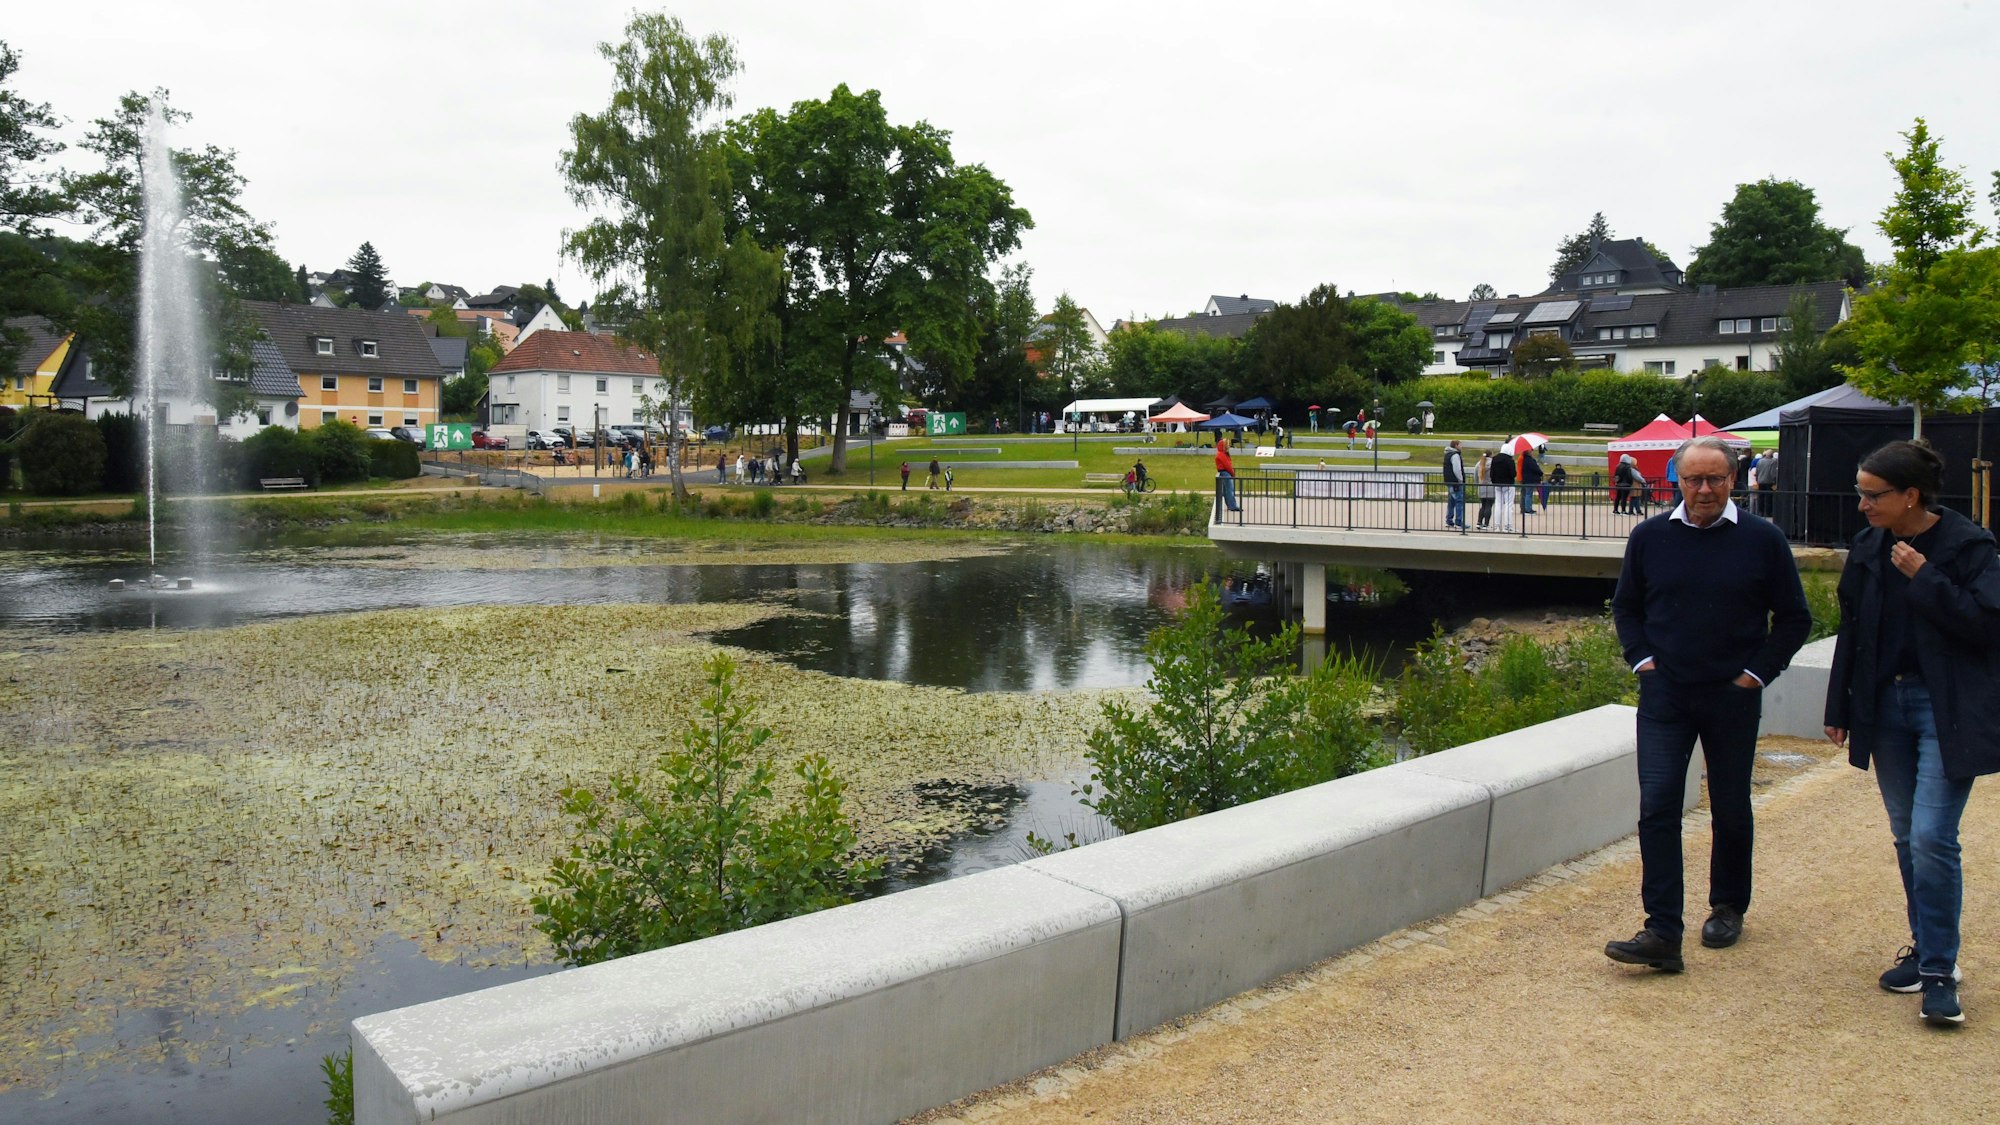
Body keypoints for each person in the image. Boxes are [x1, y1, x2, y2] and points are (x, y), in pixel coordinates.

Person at [1604, 435, 1811, 974]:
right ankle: (1662, 931)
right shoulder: (1650, 537)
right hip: (1665, 694)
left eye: (1714, 479)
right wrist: (1640, 659)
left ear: (1733, 480)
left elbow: (1794, 619)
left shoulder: (1763, 540)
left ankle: (1727, 906)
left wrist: (1755, 674)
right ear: (1676, 480)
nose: (1703, 490)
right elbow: (1627, 607)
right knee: (1658, 807)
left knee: (1730, 804)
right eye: (1692, 479)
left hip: (1731, 695)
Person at [1823, 441, 2000, 1026]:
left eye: (1872, 496)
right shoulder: (1869, 547)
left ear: (1910, 496)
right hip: (1883, 706)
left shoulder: (1968, 546)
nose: (1862, 506)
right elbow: (1851, 629)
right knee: (1906, 836)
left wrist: (1926, 579)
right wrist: (1839, 703)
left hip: (1943, 708)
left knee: (1931, 837)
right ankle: (1927, 950)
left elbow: (1986, 629)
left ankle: (1940, 973)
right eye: (1860, 494)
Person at [1490, 442, 1517, 532]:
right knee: (1509, 505)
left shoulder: (1494, 459)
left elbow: (1492, 473)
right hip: (1508, 484)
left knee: (1498, 504)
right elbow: (1513, 474)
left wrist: (1494, 481)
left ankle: (1497, 525)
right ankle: (1507, 526)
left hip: (1497, 484)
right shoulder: (1509, 460)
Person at [1442, 439, 1466, 528]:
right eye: (1460, 445)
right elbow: (1457, 469)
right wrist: (1461, 480)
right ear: (1456, 445)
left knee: (1451, 502)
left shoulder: (1447, 454)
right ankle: (1458, 522)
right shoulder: (1455, 455)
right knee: (1459, 501)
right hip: (1455, 482)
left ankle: (1449, 520)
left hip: (1449, 480)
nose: (1462, 446)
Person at [1215, 435, 1241, 514]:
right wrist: (1232, 473)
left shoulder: (1220, 454)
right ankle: (1233, 506)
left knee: (1226, 490)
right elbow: (1227, 465)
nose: (1229, 446)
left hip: (1223, 472)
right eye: (1227, 445)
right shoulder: (1222, 454)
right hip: (1226, 472)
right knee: (1230, 489)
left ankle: (1230, 505)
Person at [1519, 444, 1543, 515]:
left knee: (1528, 494)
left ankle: (1527, 508)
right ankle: (1527, 509)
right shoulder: (1529, 460)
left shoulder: (1525, 459)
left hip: (1527, 479)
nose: (1532, 451)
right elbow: (1535, 468)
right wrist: (1540, 472)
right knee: (1528, 494)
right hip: (1529, 480)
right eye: (1531, 450)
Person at [1475, 451, 1495, 530]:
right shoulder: (1493, 463)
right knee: (1489, 506)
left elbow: (1475, 476)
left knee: (1483, 506)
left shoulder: (1479, 463)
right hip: (1491, 487)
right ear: (1491, 455)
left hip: (1481, 486)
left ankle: (1479, 522)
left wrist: (1477, 484)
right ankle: (1486, 524)